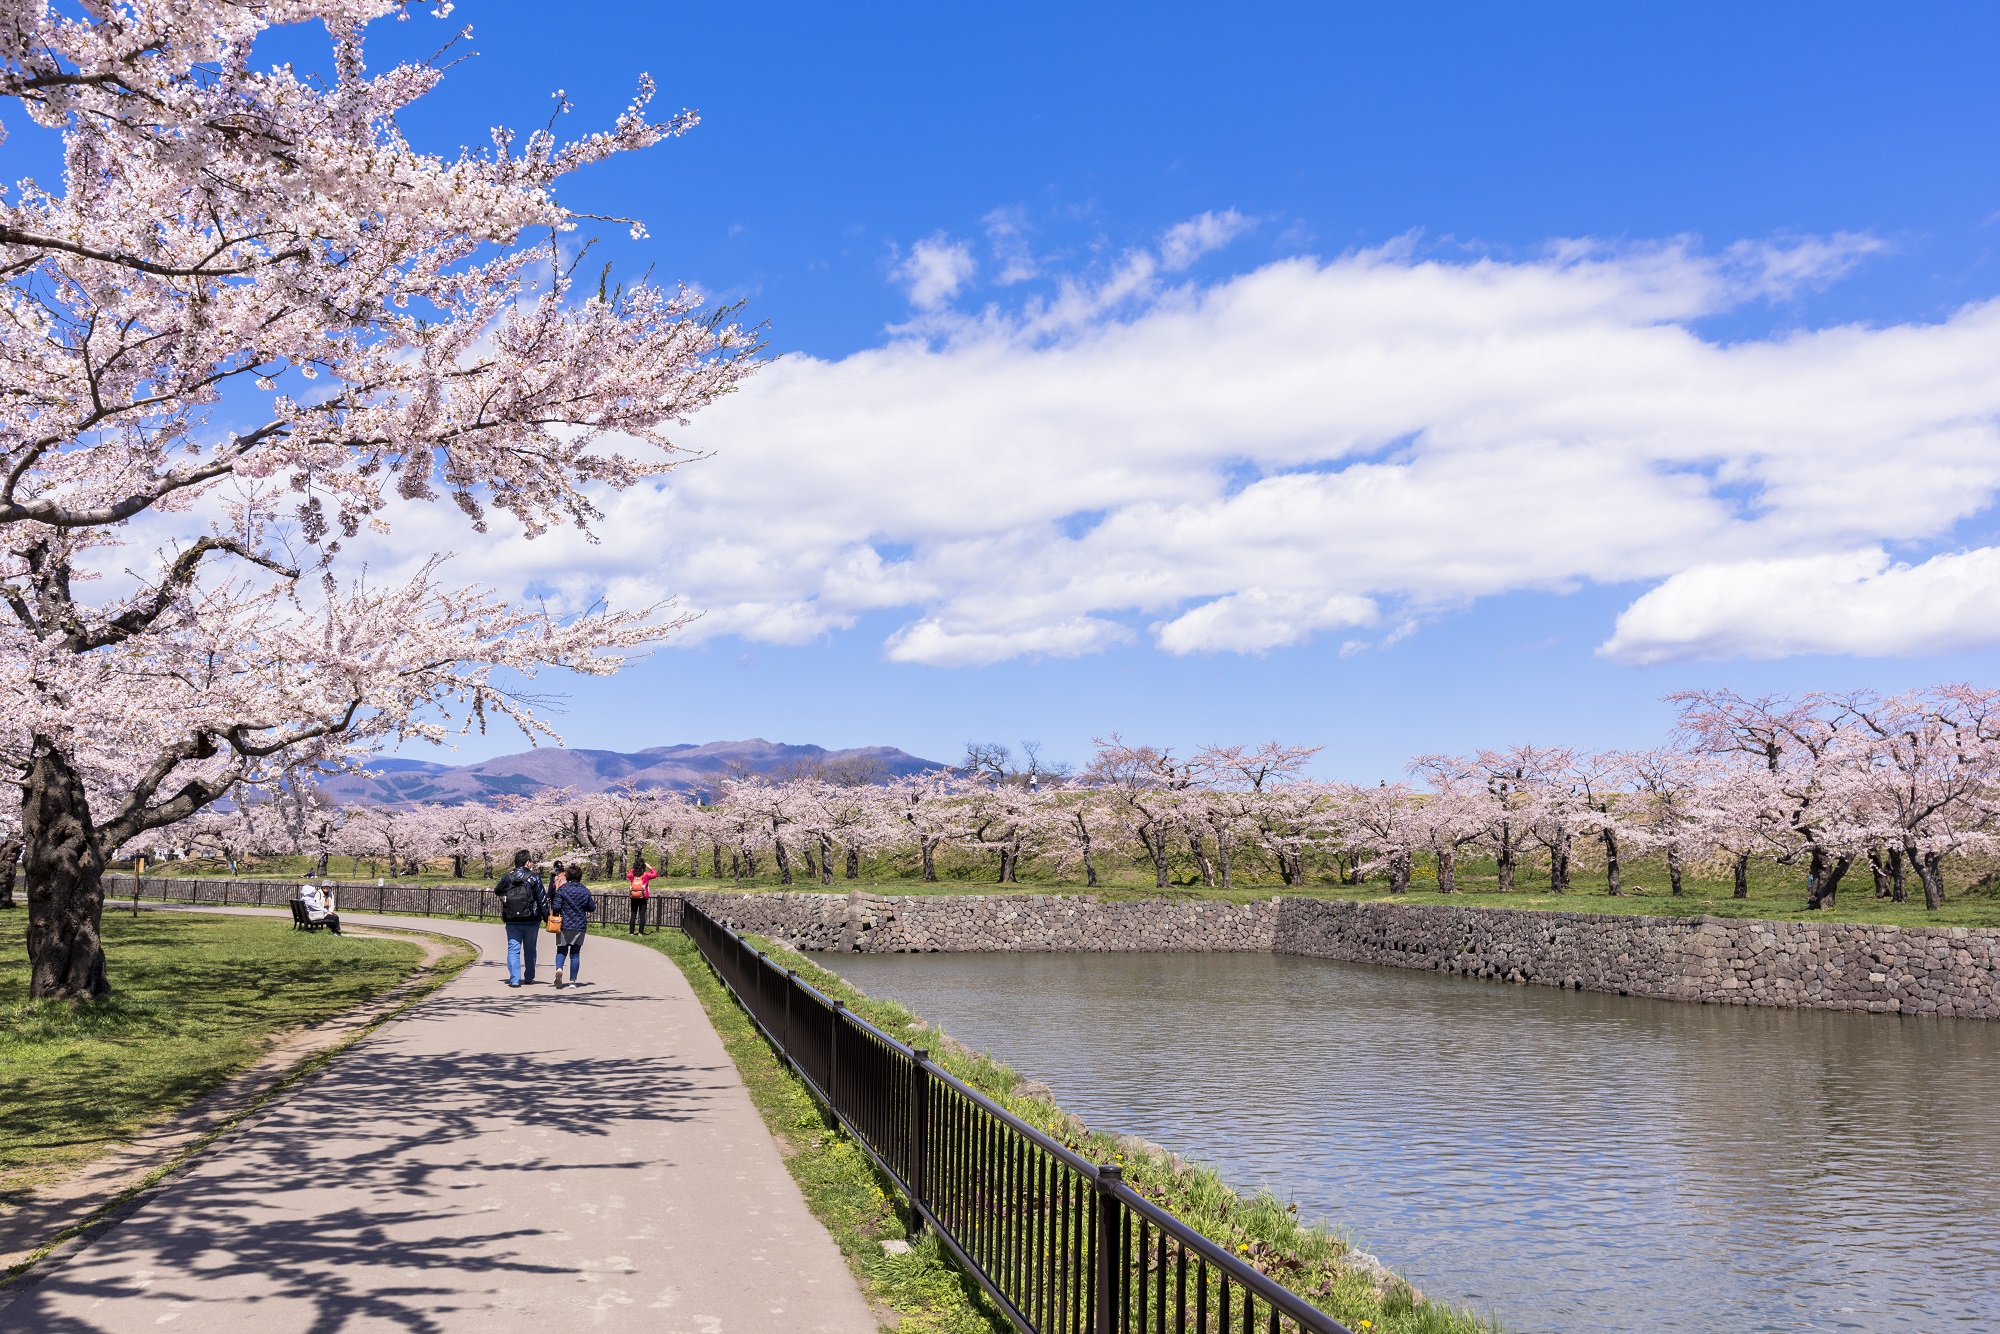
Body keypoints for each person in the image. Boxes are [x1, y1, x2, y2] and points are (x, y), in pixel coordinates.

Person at [492, 850, 547, 987]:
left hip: (512, 919)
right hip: (531, 919)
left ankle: (515, 979)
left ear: (516, 863)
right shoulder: (534, 878)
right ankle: (529, 977)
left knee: (513, 949)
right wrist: (547, 918)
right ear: (528, 862)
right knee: (530, 949)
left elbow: (497, 891)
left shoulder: (507, 878)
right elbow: (542, 900)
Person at [551, 866, 596, 988]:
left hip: (564, 925)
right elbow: (592, 907)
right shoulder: (585, 890)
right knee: (575, 954)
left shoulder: (562, 890)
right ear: (580, 876)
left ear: (567, 876)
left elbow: (556, 906)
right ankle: (572, 981)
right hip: (579, 925)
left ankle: (559, 969)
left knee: (561, 951)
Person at [626, 861, 657, 934]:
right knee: (642, 915)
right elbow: (655, 874)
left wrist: (635, 867)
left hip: (633, 897)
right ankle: (640, 932)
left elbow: (628, 874)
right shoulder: (645, 875)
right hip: (643, 897)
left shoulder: (631, 876)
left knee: (633, 914)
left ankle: (631, 932)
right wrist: (650, 867)